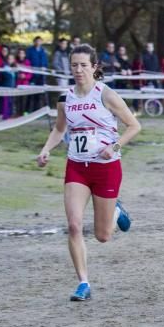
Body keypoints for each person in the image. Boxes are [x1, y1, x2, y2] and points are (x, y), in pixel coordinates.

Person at [36, 44, 141, 302]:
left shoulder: (105, 94)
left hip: (106, 168)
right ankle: (83, 282)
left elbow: (134, 126)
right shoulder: (65, 98)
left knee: (103, 236)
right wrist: (46, 149)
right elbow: (60, 130)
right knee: (73, 225)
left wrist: (113, 146)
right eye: (74, 65)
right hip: (77, 167)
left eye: (84, 65)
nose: (79, 70)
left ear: (94, 67)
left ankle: (116, 210)